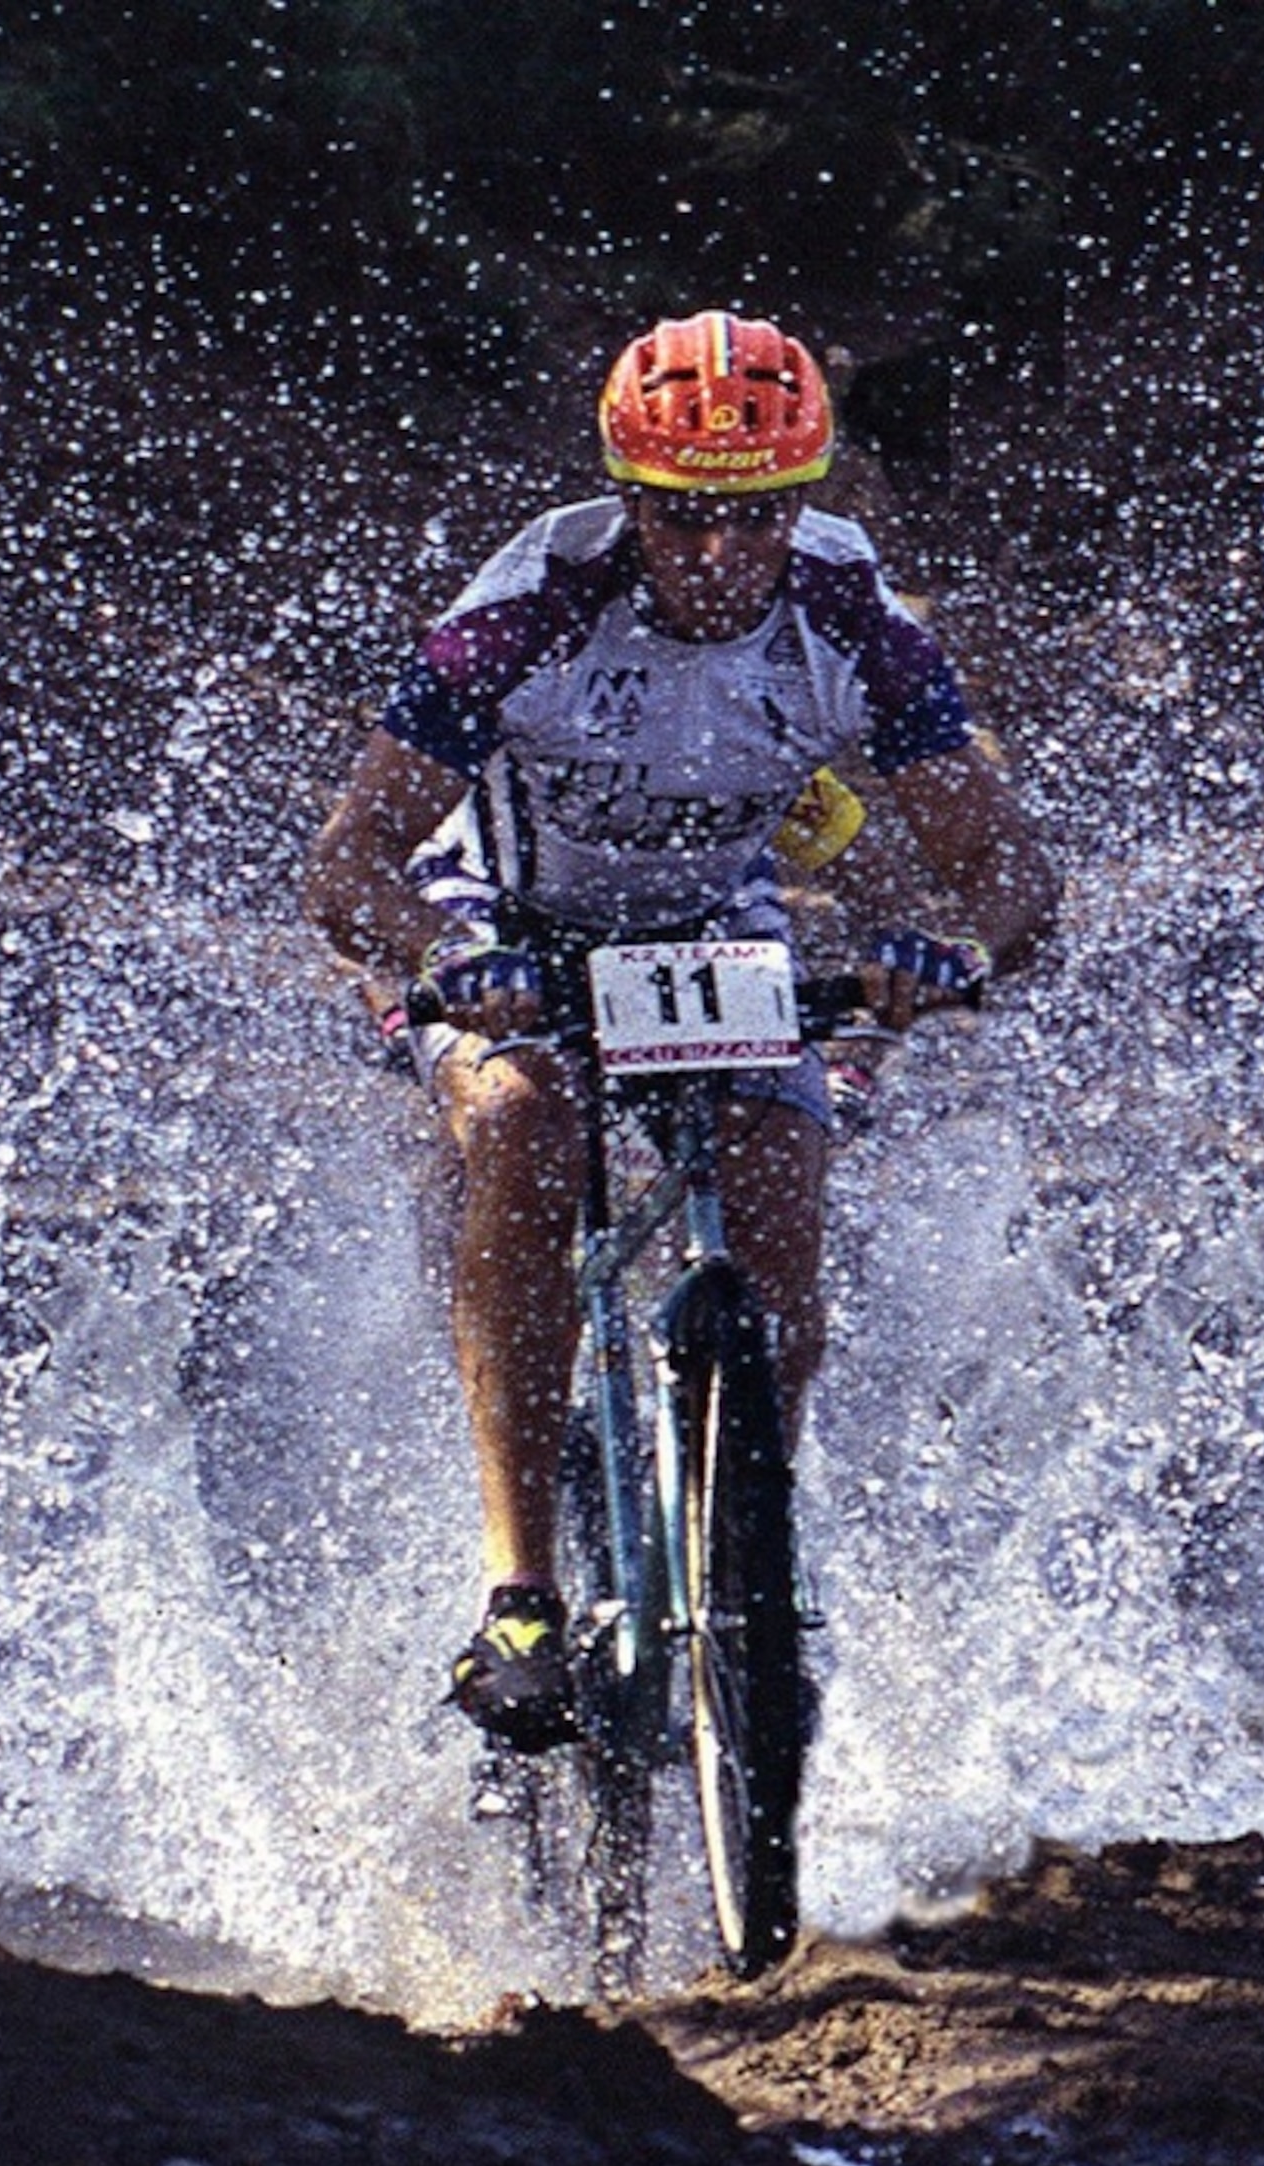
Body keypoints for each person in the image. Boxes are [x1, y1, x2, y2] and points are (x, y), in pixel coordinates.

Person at [300, 308, 1060, 1752]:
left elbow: (1012, 873)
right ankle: (518, 1592)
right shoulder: (525, 613)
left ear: (804, 507)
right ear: (628, 501)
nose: (719, 558)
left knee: (783, 1168)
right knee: (524, 1124)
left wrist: (947, 953)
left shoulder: (856, 619)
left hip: (712, 918)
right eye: (681, 521)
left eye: (757, 522)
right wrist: (452, 961)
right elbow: (344, 870)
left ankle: (749, 1560)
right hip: (505, 917)